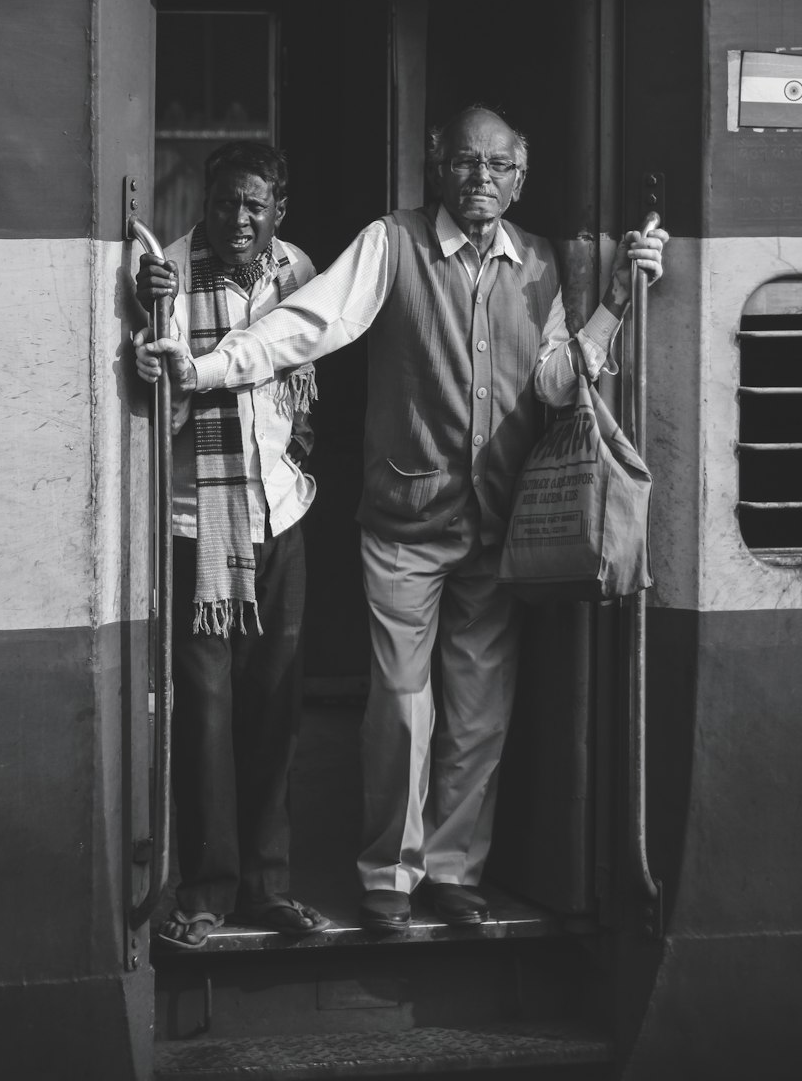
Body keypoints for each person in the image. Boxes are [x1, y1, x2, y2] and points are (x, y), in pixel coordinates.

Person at [136, 106, 668, 936]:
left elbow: (561, 382)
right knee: (399, 703)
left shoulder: (536, 265)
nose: (480, 178)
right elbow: (309, 325)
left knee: (481, 711)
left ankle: (455, 872)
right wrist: (207, 367)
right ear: (436, 167)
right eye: (464, 162)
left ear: (519, 179)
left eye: (498, 166)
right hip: (405, 522)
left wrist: (618, 304)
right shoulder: (392, 242)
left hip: (497, 528)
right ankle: (390, 873)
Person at [136, 140, 329, 950]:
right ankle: (208, 892)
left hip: (281, 515)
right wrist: (162, 351)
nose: (239, 219)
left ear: (278, 208)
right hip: (201, 530)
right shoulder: (169, 277)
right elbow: (160, 404)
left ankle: (269, 888)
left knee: (275, 705)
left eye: (256, 205)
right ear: (205, 204)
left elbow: (304, 376)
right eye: (225, 204)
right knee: (209, 714)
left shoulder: (299, 269)